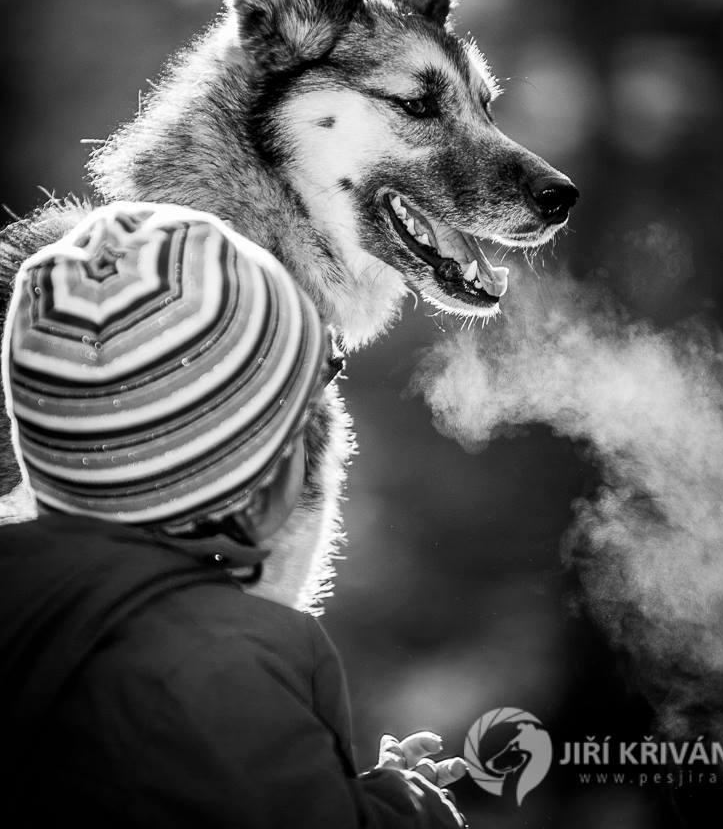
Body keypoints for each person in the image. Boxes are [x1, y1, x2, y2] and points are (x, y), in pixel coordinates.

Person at [0, 201, 468, 828]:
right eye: (311, 391)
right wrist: (408, 810)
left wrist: (358, 792)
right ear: (259, 479)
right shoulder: (212, 673)